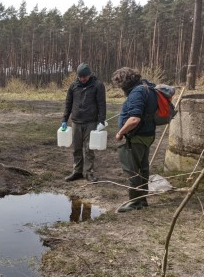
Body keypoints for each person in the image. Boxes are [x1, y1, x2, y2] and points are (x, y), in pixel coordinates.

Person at [111, 67, 158, 212]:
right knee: (143, 168)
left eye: (120, 84)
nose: (120, 87)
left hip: (137, 136)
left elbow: (134, 119)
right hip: (147, 134)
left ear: (125, 82)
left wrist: (120, 133)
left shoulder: (137, 93)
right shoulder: (147, 88)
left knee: (132, 170)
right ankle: (142, 200)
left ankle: (135, 202)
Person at [61, 63, 106, 183]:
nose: (82, 79)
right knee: (76, 148)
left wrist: (101, 121)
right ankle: (77, 171)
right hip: (76, 121)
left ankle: (89, 172)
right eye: (80, 77)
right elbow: (68, 104)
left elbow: (102, 104)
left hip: (91, 122)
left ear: (89, 75)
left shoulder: (98, 85)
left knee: (89, 148)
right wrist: (64, 120)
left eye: (84, 77)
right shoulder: (73, 86)